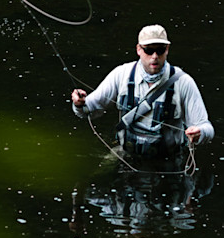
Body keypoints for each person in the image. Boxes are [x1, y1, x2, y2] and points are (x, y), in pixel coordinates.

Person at [71, 25, 214, 160]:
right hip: (127, 156)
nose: (154, 56)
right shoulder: (121, 74)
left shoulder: (183, 82)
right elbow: (87, 110)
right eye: (149, 50)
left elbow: (207, 128)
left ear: (167, 49)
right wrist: (79, 103)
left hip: (169, 161)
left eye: (160, 50)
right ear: (139, 49)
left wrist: (199, 133)